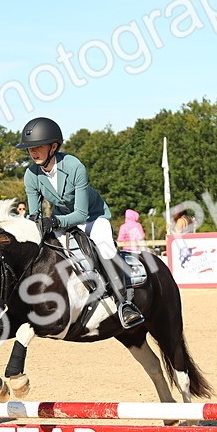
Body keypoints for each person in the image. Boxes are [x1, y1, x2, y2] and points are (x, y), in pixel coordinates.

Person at [16, 116, 144, 328]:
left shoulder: (74, 166)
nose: (33, 152)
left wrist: (54, 221)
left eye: (38, 147)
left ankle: (125, 303)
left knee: (105, 248)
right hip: (62, 219)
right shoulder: (31, 174)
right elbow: (34, 214)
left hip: (92, 217)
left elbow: (81, 214)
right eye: (30, 148)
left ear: (53, 147)